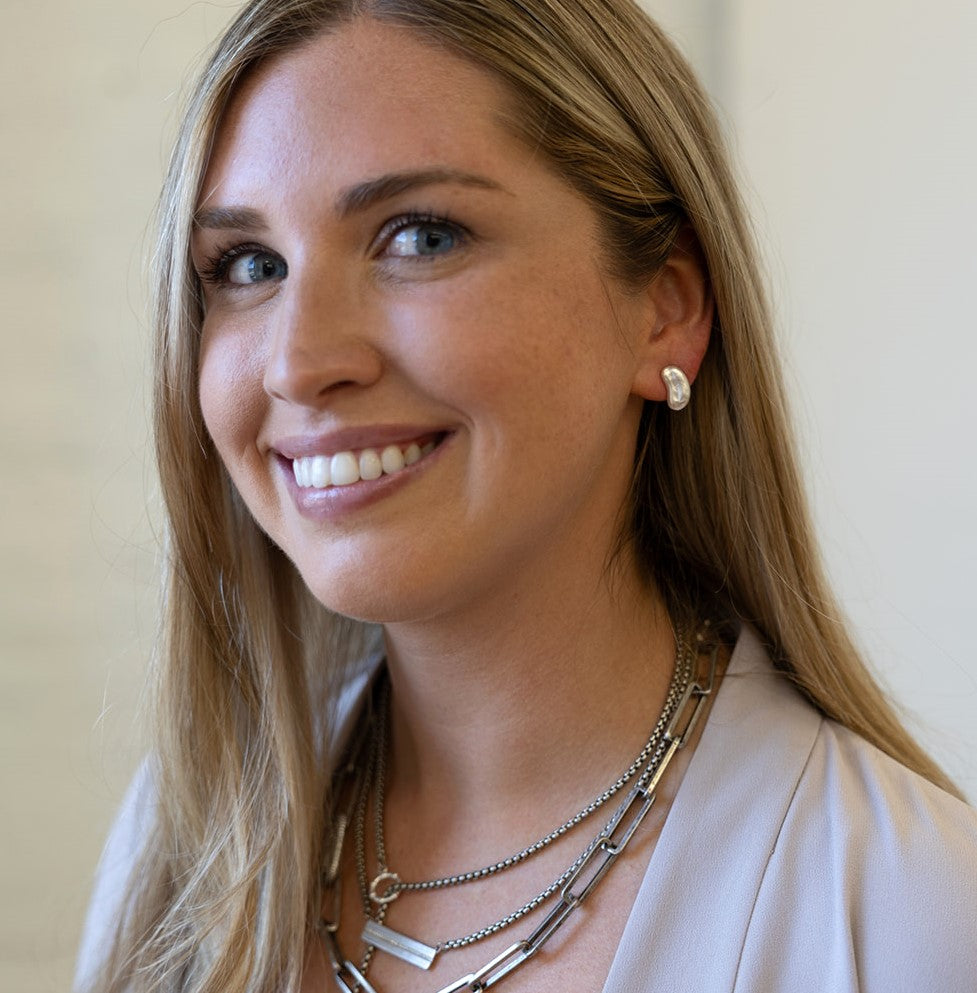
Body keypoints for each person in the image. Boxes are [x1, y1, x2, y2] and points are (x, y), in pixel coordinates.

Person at [76, 1, 977, 991]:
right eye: (247, 266)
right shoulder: (186, 845)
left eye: (418, 236)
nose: (298, 363)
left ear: (663, 307)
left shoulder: (901, 910)